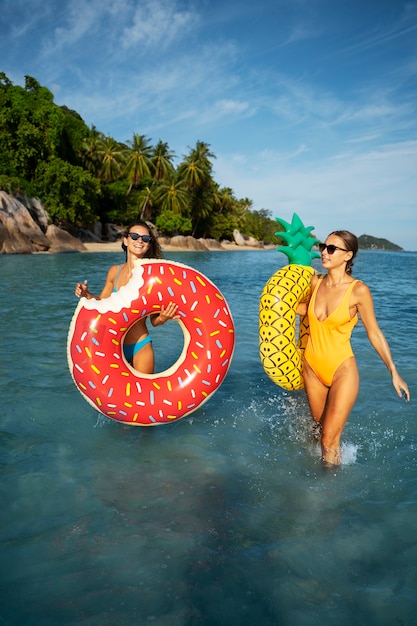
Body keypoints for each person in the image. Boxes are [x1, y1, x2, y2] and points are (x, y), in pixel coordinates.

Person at [297, 230, 410, 466]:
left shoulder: (358, 291)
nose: (324, 252)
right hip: (312, 369)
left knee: (329, 439)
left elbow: (374, 333)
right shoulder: (315, 281)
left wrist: (393, 372)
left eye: (331, 249)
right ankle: (318, 473)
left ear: (347, 255)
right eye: (323, 246)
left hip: (341, 371)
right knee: (319, 433)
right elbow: (301, 309)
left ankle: (329, 494)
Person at [75, 221, 179, 374]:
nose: (139, 241)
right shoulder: (114, 272)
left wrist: (163, 318)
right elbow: (103, 304)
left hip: (140, 345)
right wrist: (86, 294)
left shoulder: (153, 278)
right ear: (125, 240)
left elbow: (154, 321)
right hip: (113, 347)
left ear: (149, 244)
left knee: (143, 396)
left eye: (145, 238)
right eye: (135, 236)